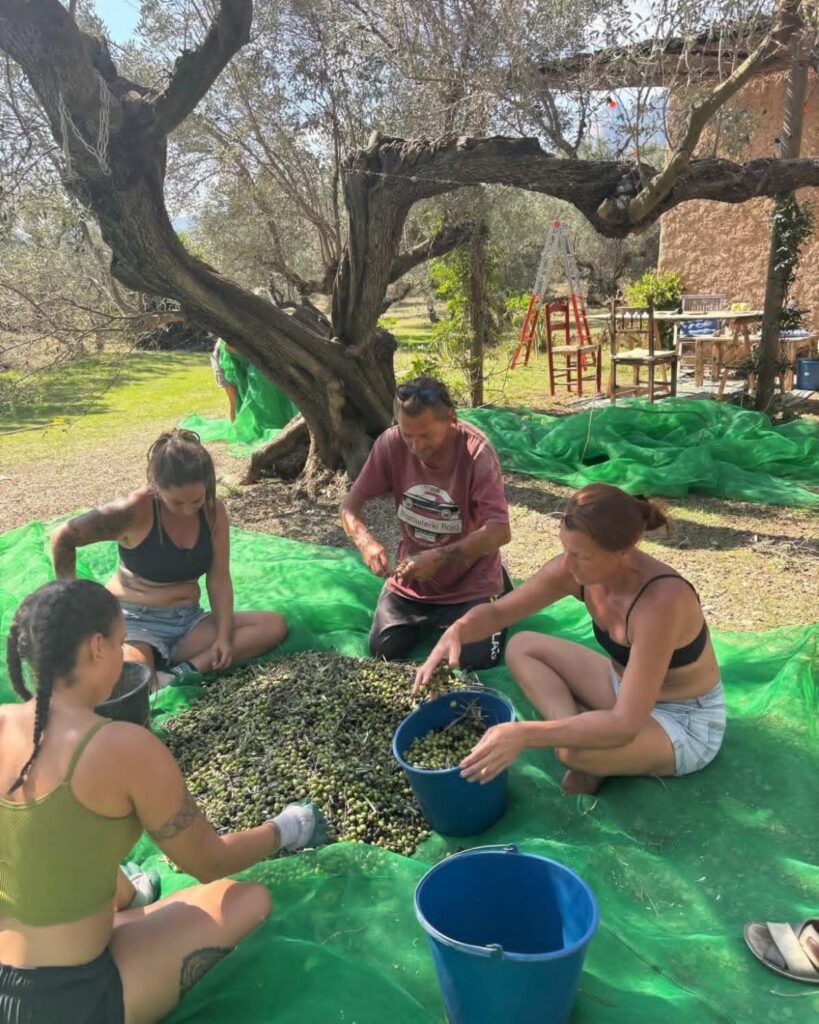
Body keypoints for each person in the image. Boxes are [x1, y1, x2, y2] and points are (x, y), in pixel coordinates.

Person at [0, 580, 324, 1023]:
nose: (124, 656)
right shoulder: (123, 747)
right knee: (245, 900)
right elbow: (209, 861)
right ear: (98, 647)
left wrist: (126, 895)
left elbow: (42, 835)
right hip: (67, 1002)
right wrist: (285, 827)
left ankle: (130, 898)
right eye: (120, 643)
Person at [414, 483, 726, 795]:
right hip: (623, 686)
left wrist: (524, 734)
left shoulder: (661, 603)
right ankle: (587, 738)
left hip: (683, 719)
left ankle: (589, 753)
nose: (567, 564)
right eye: (566, 549)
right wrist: (457, 631)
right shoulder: (573, 572)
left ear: (623, 553)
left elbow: (626, 723)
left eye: (580, 556)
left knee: (573, 752)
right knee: (523, 646)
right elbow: (498, 615)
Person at [51, 429, 287, 684]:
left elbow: (218, 577)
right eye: (176, 503)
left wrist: (222, 636)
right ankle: (152, 674)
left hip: (188, 622)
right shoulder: (132, 510)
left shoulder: (213, 511)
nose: (187, 510)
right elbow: (63, 538)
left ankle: (180, 673)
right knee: (132, 680)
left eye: (195, 501)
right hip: (135, 622)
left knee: (272, 627)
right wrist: (71, 600)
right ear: (156, 487)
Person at [340, 376, 512, 670]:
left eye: (427, 436)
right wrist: (365, 542)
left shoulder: (476, 452)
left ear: (451, 420)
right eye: (408, 435)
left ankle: (499, 583)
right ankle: (435, 616)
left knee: (475, 660)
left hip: (470, 577)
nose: (416, 447)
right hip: (415, 578)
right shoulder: (390, 444)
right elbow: (349, 506)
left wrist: (440, 556)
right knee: (383, 650)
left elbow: (500, 530)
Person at [210, 339, 246, 422]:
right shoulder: (224, 343)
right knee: (234, 401)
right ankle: (236, 430)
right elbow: (228, 347)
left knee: (244, 399)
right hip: (223, 361)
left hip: (238, 362)